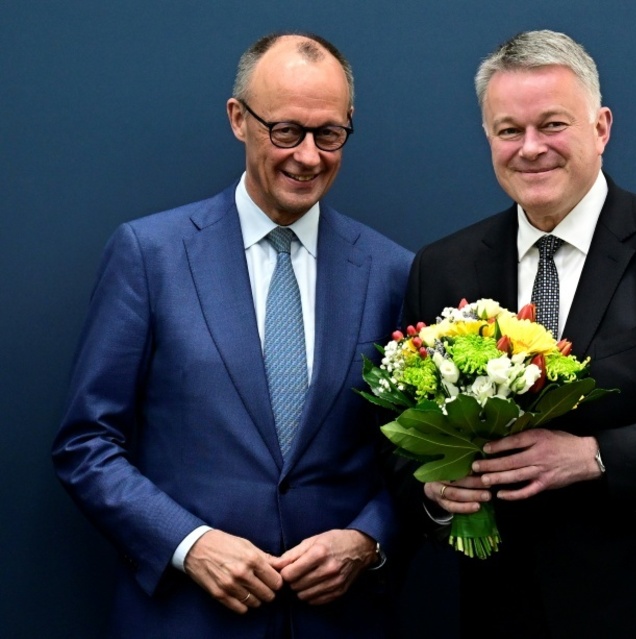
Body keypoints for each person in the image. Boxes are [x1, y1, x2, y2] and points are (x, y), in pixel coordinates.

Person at [401, 30, 636, 638]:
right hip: (508, 611)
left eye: (552, 125)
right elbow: (405, 446)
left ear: (601, 128)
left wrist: (595, 456)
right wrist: (437, 495)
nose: (531, 148)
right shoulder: (443, 267)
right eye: (509, 130)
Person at [52, 32, 412, 639]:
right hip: (184, 618)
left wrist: (368, 539)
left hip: (339, 622)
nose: (308, 157)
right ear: (238, 118)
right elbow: (86, 442)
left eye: (329, 134)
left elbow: (411, 453)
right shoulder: (150, 255)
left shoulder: (393, 272)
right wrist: (188, 543)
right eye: (286, 131)